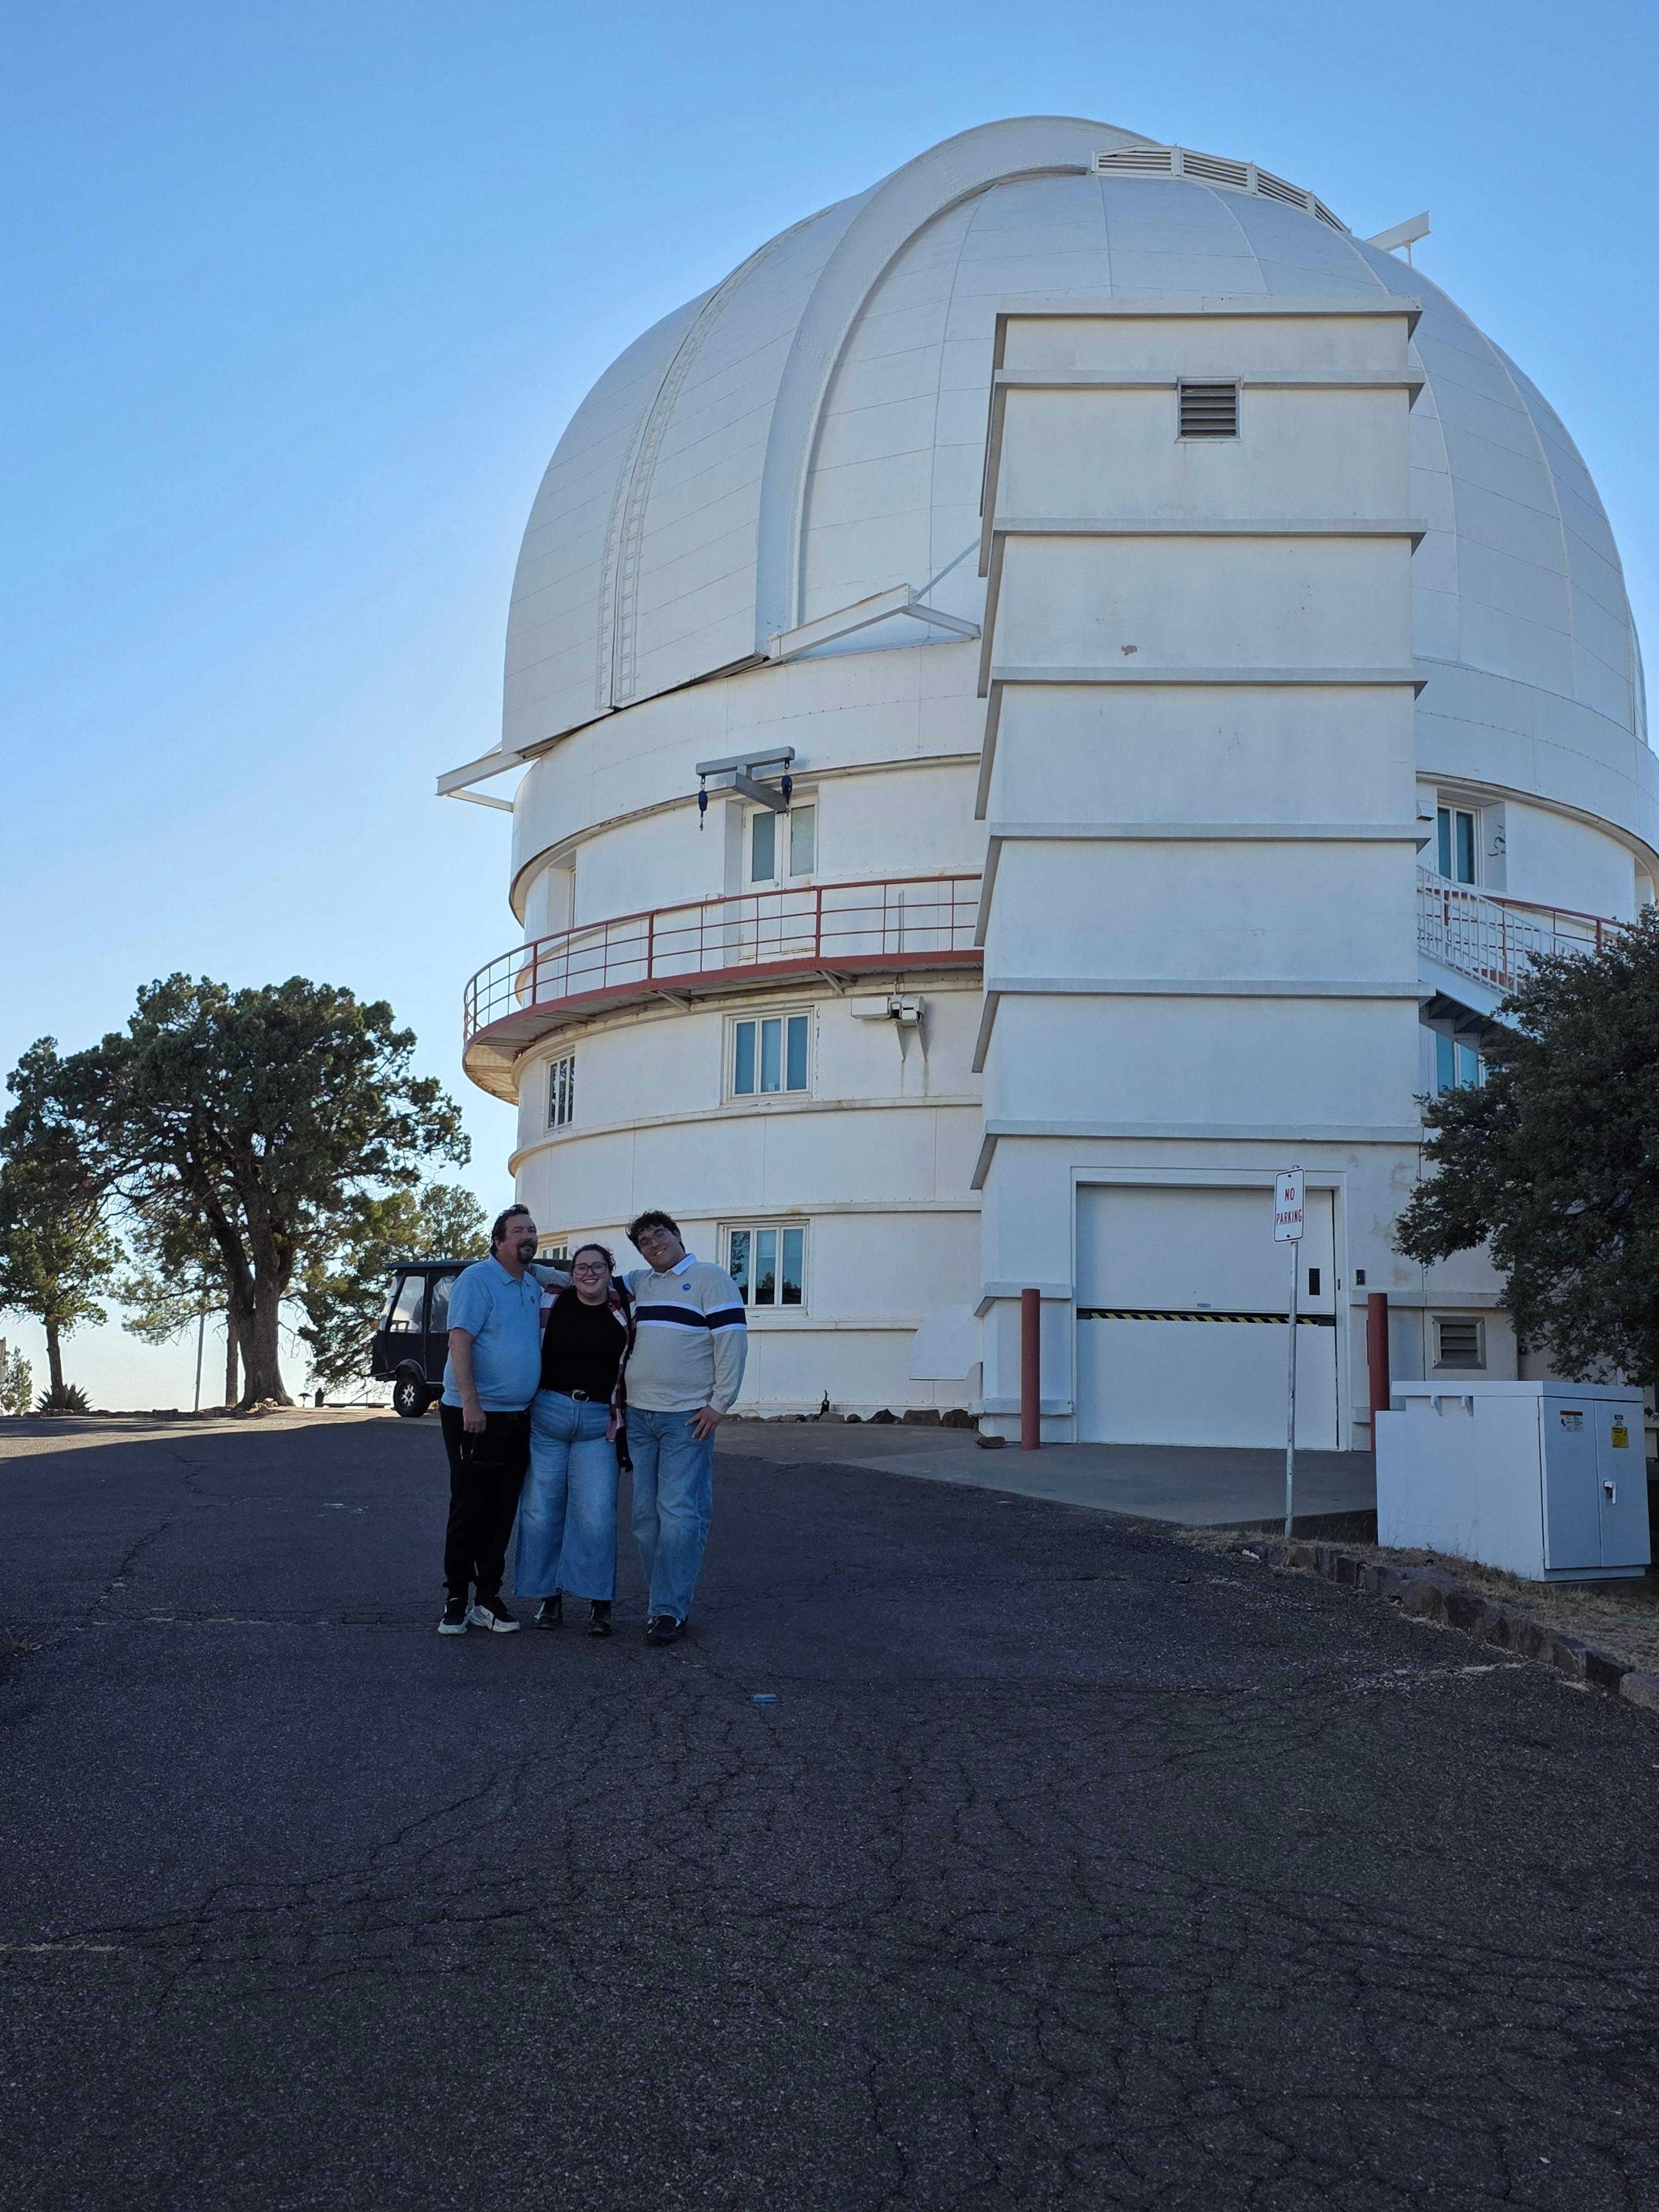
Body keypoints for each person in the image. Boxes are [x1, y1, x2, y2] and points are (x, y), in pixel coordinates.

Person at [621, 1209, 747, 1645]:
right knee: (644, 1520)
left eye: (659, 1237)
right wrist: (530, 1270)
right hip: (639, 1416)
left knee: (679, 1514)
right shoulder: (641, 1283)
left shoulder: (711, 1279)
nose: (654, 1246)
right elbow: (587, 1277)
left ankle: (668, 1610)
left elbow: (731, 1342)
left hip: (686, 1419)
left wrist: (719, 1404)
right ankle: (665, 1600)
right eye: (644, 1243)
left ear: (677, 1235)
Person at [436, 1203, 544, 1636]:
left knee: (502, 1511)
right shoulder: (477, 1280)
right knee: (469, 1506)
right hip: (474, 1417)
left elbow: (562, 1279)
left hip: (517, 1419)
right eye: (518, 1231)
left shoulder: (531, 1284)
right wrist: (471, 1403)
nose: (527, 1236)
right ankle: (456, 1599)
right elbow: (459, 1340)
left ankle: (488, 1599)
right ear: (498, 1241)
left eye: (532, 1230)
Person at [518, 1242, 635, 1639]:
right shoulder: (555, 1299)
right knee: (540, 1510)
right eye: (581, 1267)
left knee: (597, 1514)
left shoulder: (623, 1305)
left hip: (599, 1422)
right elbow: (528, 1270)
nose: (589, 1273)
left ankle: (599, 1602)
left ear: (609, 1270)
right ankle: (548, 1598)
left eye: (597, 1266)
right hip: (549, 1415)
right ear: (572, 1273)